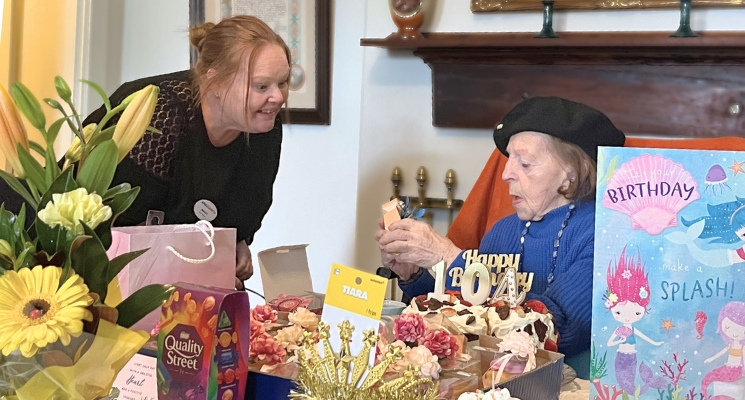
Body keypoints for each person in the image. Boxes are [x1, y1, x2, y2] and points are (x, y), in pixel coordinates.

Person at [0, 15, 290, 289]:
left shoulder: (263, 128)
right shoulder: (160, 114)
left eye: (283, 82)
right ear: (213, 81)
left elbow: (237, 222)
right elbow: (114, 233)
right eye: (261, 85)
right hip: (58, 262)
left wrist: (236, 250)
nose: (277, 97)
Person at [376, 97, 626, 375]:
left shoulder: (605, 234)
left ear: (570, 175)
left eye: (526, 163)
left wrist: (448, 257)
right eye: (509, 160)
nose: (506, 173)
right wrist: (415, 275)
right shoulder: (503, 231)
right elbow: (470, 316)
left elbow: (561, 330)